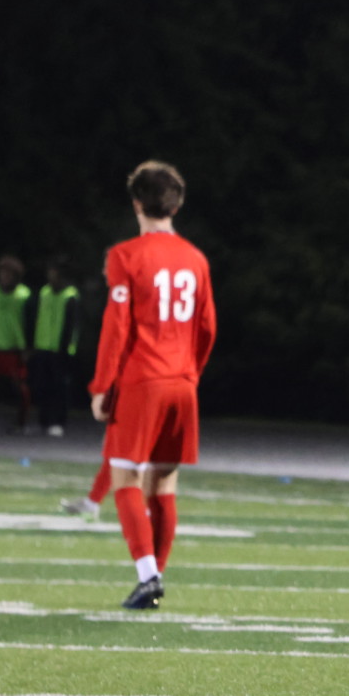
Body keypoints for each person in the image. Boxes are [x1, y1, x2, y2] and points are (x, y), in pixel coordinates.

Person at [89, 160, 216, 609]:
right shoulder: (197, 259)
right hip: (183, 381)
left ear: (137, 203)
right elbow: (207, 327)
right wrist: (190, 373)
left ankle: (148, 575)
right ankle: (155, 579)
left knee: (125, 473)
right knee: (163, 484)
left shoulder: (125, 255)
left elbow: (116, 325)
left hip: (144, 379)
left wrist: (103, 384)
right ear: (176, 205)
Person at [28, 256, 81, 437]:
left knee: (59, 388)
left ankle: (58, 422)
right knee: (42, 385)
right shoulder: (44, 292)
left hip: (61, 350)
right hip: (43, 346)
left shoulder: (70, 295)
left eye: (54, 273)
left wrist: (68, 349)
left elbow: (72, 326)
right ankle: (43, 422)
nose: (51, 277)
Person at [0, 255, 31, 433]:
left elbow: (29, 321)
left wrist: (27, 346)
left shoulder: (24, 294)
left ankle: (21, 421)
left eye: (9, 274)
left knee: (20, 385)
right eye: (3, 273)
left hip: (14, 348)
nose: (5, 277)